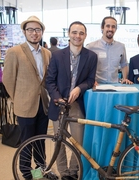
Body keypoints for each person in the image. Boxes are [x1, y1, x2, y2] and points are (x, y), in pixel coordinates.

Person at [46, 21, 98, 180]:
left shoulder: (91, 56)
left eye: (81, 33)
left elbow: (90, 80)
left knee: (78, 141)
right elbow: (49, 81)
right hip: (58, 103)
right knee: (59, 140)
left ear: (85, 35)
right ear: (69, 34)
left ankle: (74, 171)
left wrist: (79, 88)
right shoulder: (56, 55)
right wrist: (57, 97)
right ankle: (64, 173)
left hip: (77, 104)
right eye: (74, 32)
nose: (78, 36)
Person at [2, 16, 51, 179]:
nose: (34, 33)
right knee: (26, 143)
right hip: (24, 106)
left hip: (42, 105)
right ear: (24, 32)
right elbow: (7, 79)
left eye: (37, 30)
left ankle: (40, 173)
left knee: (40, 142)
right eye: (30, 29)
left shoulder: (47, 53)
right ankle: (26, 174)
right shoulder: (14, 52)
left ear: (42, 32)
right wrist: (18, 99)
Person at [86, 16, 132, 84]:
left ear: (116, 29)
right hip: (97, 86)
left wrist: (125, 78)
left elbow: (124, 64)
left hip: (115, 86)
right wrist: (90, 80)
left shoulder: (121, 47)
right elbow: (86, 67)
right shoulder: (91, 47)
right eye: (108, 26)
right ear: (102, 27)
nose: (110, 29)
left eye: (113, 27)